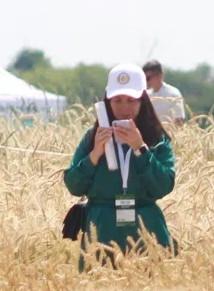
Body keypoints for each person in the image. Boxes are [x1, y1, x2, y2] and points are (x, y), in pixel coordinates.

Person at [64, 64, 176, 261]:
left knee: (151, 281)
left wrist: (141, 149)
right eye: (118, 100)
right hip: (101, 231)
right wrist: (95, 154)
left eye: (131, 100)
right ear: (108, 101)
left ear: (142, 100)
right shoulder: (93, 136)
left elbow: (164, 185)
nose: (125, 108)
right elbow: (74, 185)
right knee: (98, 280)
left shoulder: (156, 138)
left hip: (146, 230)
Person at [143, 59, 186, 126]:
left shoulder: (173, 94)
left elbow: (179, 121)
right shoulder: (146, 95)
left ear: (159, 76)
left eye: (148, 78)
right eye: (143, 78)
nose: (145, 81)